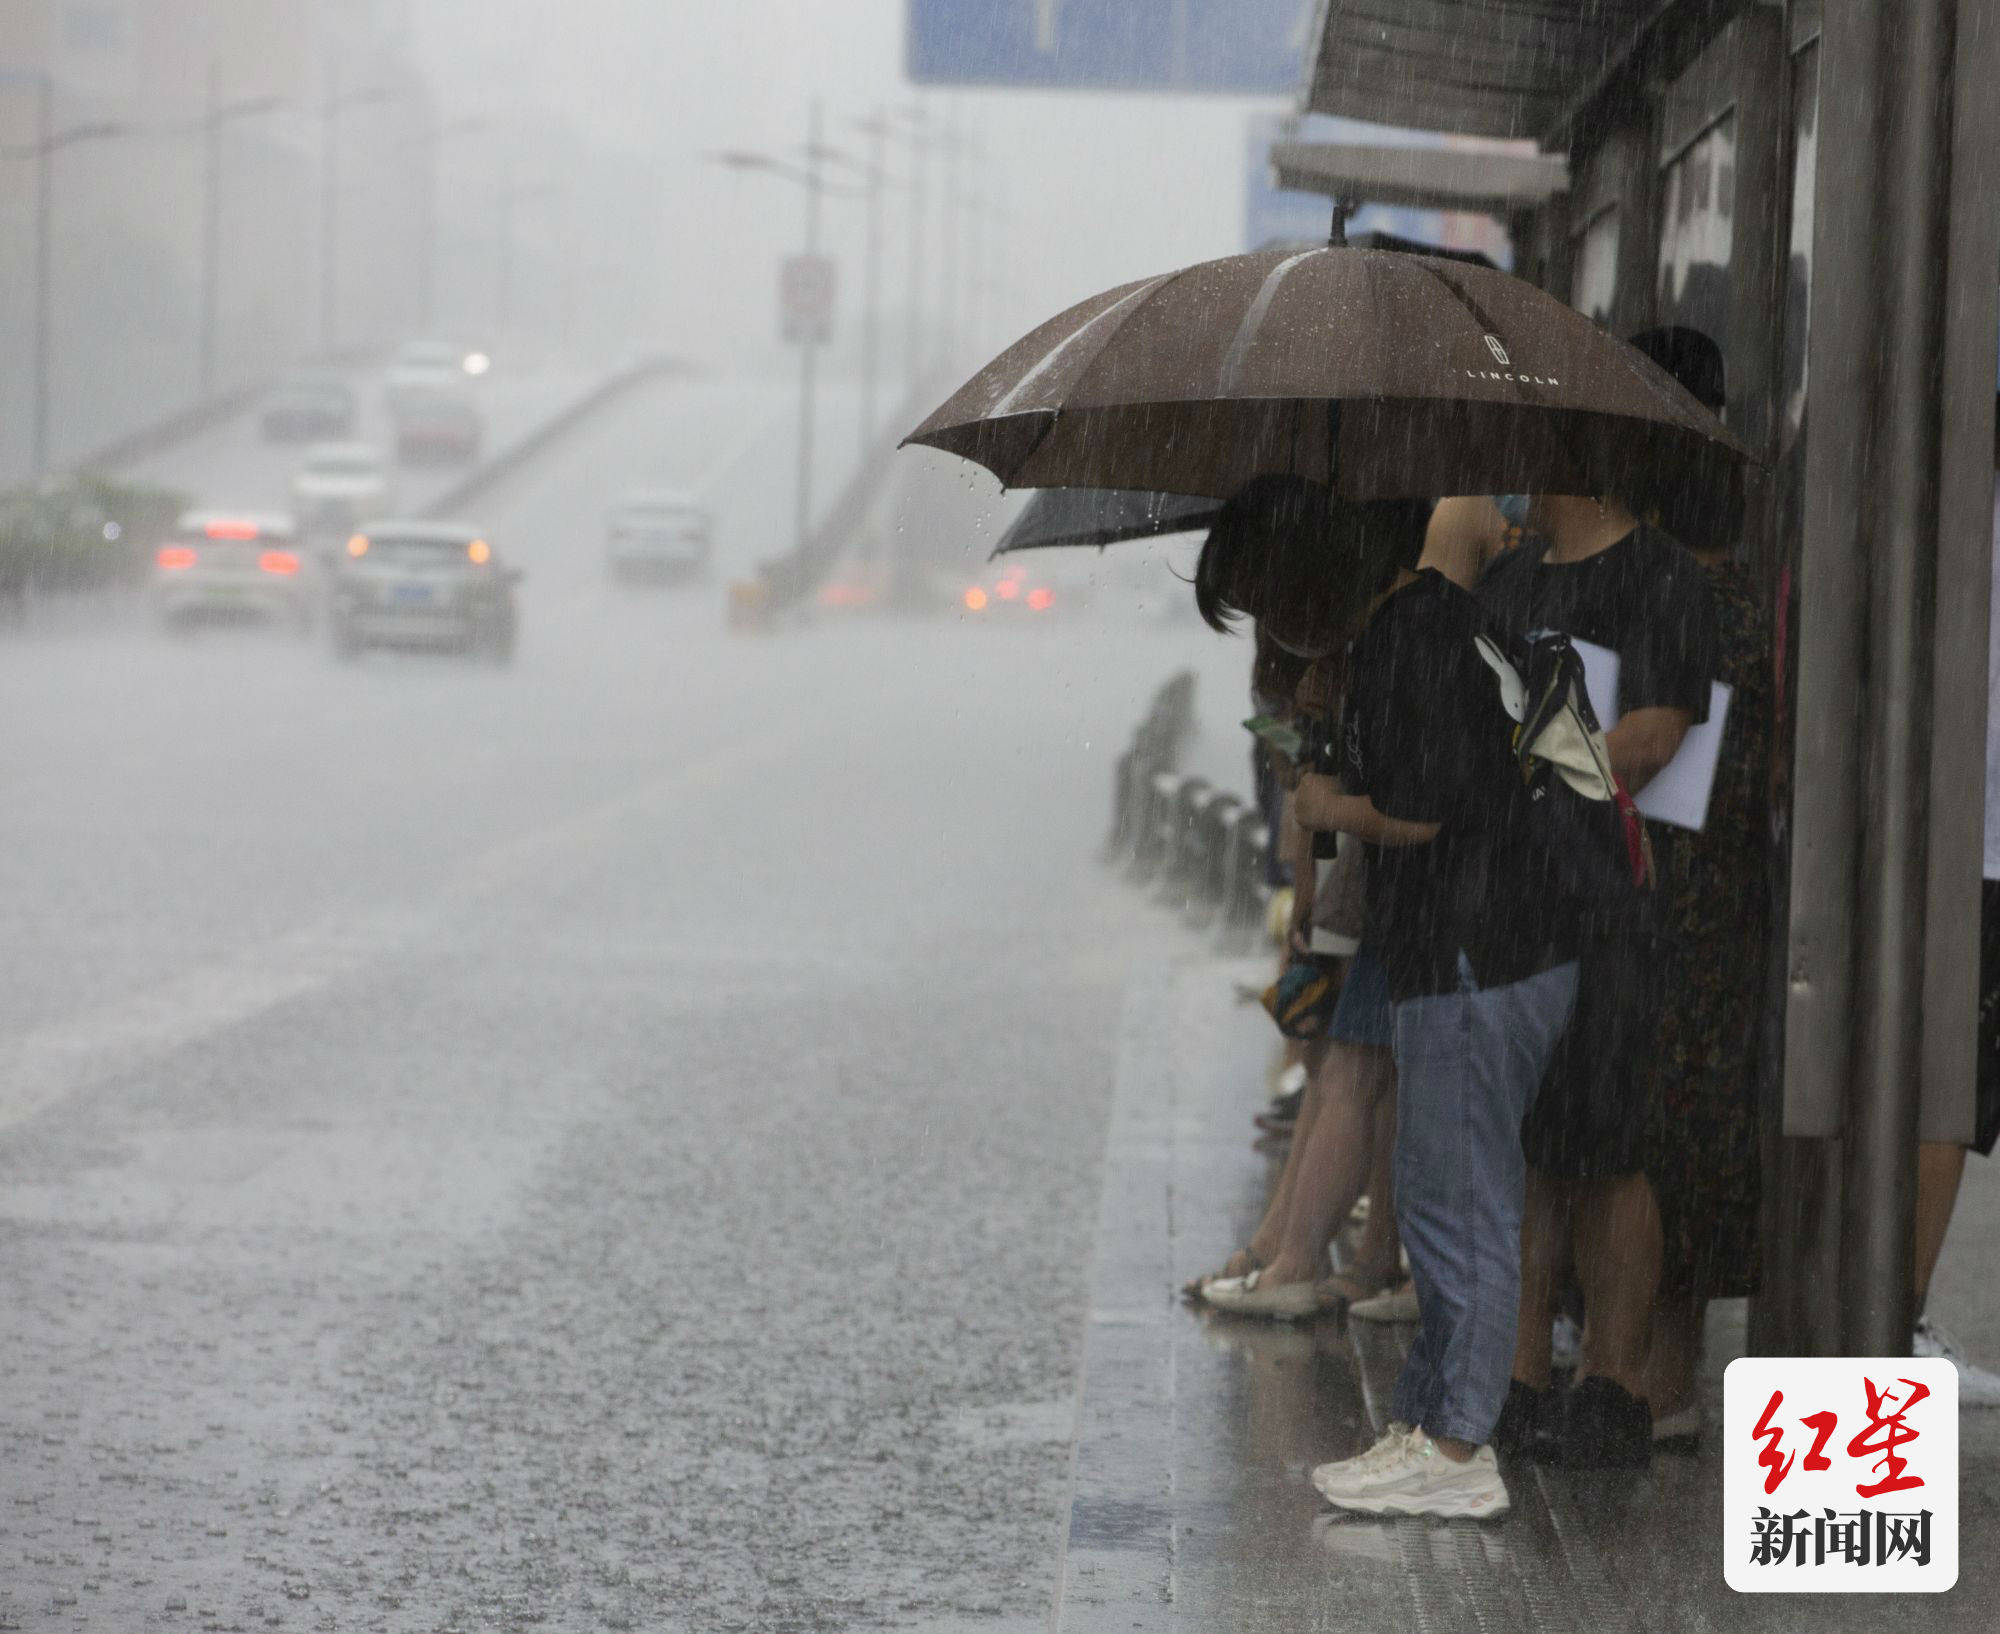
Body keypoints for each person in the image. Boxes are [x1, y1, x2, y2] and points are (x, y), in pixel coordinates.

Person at [1280, 507, 1581, 1520]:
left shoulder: (1410, 637)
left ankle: (1455, 1447)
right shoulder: (1450, 620)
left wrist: (1329, 810)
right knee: (1441, 1186)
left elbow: (1425, 810)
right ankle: (1426, 1420)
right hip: (1499, 947)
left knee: (1459, 1206)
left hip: (1469, 953)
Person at [1479, 478, 1717, 1468]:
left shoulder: (1658, 574)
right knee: (1529, 1144)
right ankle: (1519, 1371)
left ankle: (1612, 1382)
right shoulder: (1506, 579)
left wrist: (1527, 774)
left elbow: (1657, 732)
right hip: (1509, 903)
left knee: (1608, 1146)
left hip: (1608, 900)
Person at [1906, 394, 2000, 1405]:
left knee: (1939, 1088)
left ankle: (1880, 1311)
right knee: (1948, 1094)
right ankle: (1889, 1322)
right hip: (1973, 845)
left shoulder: (1938, 502)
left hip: (1934, 838)